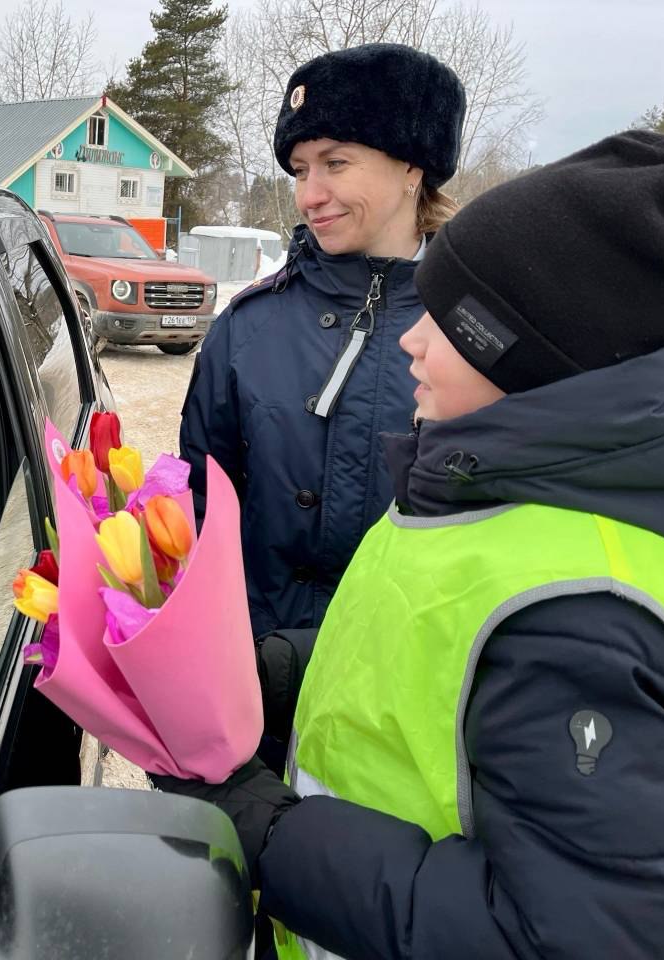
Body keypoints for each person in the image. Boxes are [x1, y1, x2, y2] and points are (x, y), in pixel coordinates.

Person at [155, 131, 664, 960]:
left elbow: (559, 938)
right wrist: (286, 668)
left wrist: (275, 836)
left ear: (537, 360)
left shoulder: (589, 619)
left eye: (452, 322)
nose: (412, 340)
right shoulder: (491, 491)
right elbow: (435, 655)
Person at [180, 43, 466, 645]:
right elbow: (199, 507)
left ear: (413, 167)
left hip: (407, 681)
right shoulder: (247, 327)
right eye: (300, 169)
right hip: (252, 674)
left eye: (335, 163)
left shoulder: (478, 332)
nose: (309, 195)